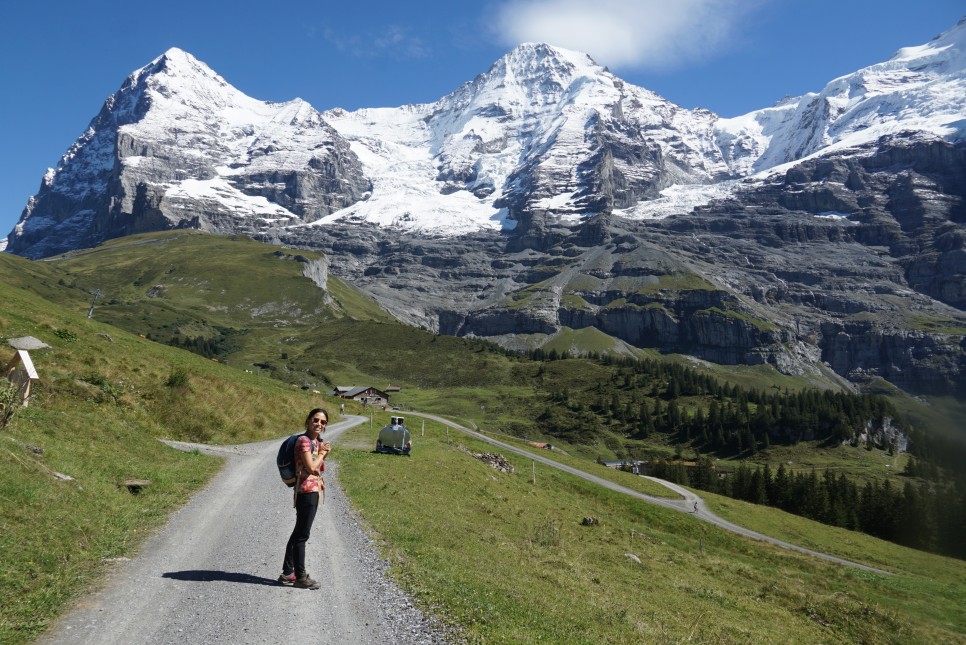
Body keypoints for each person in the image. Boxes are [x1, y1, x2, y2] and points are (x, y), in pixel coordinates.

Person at [279, 408, 331, 589]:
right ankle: (300, 577)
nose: (319, 424)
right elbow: (311, 468)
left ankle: (287, 572)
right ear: (308, 421)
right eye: (316, 420)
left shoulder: (316, 442)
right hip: (307, 492)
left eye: (323, 422)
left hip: (312, 490)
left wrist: (322, 454)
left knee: (298, 531)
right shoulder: (304, 441)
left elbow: (318, 469)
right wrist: (323, 454)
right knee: (302, 534)